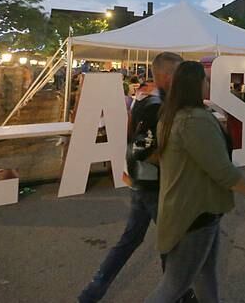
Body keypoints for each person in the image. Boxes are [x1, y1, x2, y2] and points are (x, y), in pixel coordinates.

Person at [146, 61, 245, 302]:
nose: (209, 83)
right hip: (195, 212)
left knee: (204, 276)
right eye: (205, 79)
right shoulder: (194, 120)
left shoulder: (172, 115)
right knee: (174, 286)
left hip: (187, 208)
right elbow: (222, 171)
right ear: (196, 85)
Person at [78, 52, 184, 303]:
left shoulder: (147, 103)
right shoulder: (157, 108)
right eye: (180, 74)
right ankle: (175, 294)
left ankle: (92, 293)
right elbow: (142, 150)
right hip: (152, 185)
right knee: (172, 243)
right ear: (168, 76)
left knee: (132, 239)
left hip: (142, 183)